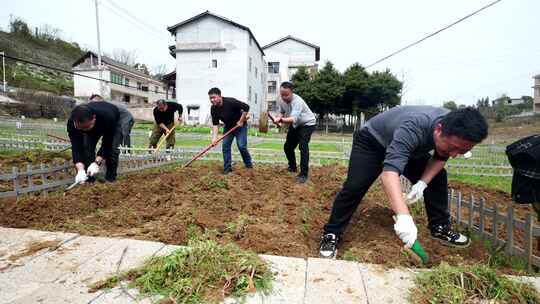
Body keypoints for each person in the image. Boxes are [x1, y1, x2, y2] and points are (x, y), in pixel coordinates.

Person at [319, 106, 488, 258]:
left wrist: (422, 183)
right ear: (438, 130)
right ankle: (332, 233)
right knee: (355, 186)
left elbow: (440, 157)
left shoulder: (454, 126)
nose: (454, 155)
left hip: (410, 148)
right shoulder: (414, 127)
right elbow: (390, 173)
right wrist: (404, 217)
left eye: (463, 151)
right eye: (452, 148)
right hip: (372, 142)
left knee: (438, 177)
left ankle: (440, 228)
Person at [67, 101, 132, 183]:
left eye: (86, 127)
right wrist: (80, 170)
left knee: (113, 149)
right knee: (87, 147)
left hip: (118, 115)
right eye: (80, 128)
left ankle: (110, 179)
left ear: (94, 118)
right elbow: (76, 146)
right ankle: (89, 180)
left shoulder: (107, 117)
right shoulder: (72, 123)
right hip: (99, 114)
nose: (84, 131)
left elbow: (107, 143)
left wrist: (96, 162)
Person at [273, 81, 317, 184]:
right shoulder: (281, 100)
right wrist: (278, 117)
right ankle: (292, 167)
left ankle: (303, 175)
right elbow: (281, 112)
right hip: (296, 125)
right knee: (288, 147)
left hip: (307, 124)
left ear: (292, 92)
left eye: (286, 95)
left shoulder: (298, 101)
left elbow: (292, 119)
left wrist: (280, 120)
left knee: (303, 146)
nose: (284, 97)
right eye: (282, 94)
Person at [208, 87, 252, 174]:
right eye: (210, 98)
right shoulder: (213, 109)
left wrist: (241, 120)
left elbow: (246, 107)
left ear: (220, 96)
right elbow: (216, 124)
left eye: (214, 97)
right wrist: (214, 138)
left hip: (240, 126)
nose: (212, 100)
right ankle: (227, 169)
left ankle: (248, 164)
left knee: (241, 146)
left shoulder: (230, 102)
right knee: (225, 146)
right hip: (228, 127)